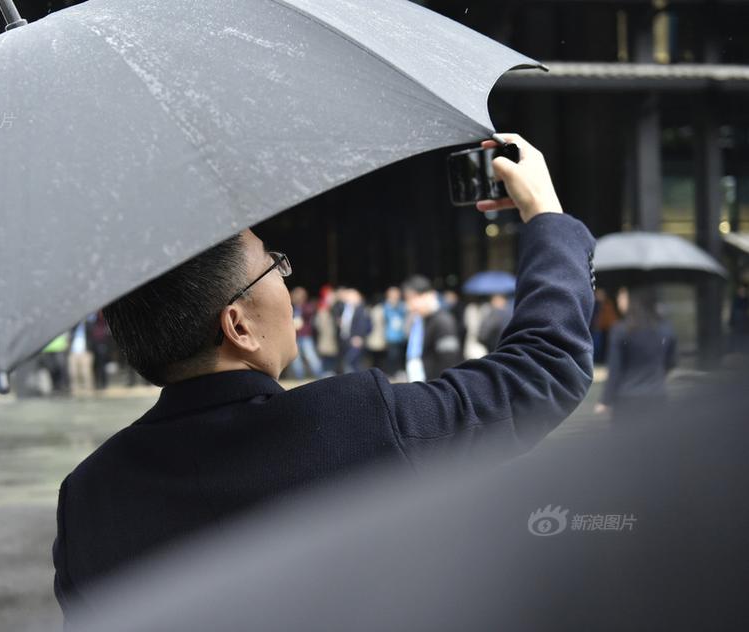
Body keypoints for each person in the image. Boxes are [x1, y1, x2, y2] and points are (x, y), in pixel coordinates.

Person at [52, 134, 596, 618]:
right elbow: (544, 367)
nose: (288, 282)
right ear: (237, 325)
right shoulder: (351, 425)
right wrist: (546, 217)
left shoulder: (87, 499)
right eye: (273, 265)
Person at [595, 286, 676, 424]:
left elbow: (615, 370)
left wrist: (605, 400)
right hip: (657, 396)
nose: (619, 300)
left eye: (622, 295)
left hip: (627, 400)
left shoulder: (620, 330)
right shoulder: (665, 328)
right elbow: (671, 363)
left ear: (633, 299)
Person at [402, 277, 463, 380]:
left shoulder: (442, 321)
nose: (409, 305)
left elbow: (448, 361)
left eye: (413, 298)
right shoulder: (420, 320)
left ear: (429, 295)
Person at [289, 286, 323, 379]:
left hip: (305, 336)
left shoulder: (307, 306)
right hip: (294, 336)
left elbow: (309, 313)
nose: (297, 297)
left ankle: (319, 376)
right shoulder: (291, 307)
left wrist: (301, 306)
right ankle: (299, 378)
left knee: (311, 356)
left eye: (299, 295)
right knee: (296, 359)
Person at [337, 288, 372, 373]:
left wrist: (359, 337)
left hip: (356, 340)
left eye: (350, 296)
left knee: (351, 362)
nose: (347, 298)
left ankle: (359, 381)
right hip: (345, 338)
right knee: (350, 363)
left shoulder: (361, 309)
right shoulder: (345, 308)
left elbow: (364, 325)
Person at [314, 285, 340, 376]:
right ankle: (325, 374)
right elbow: (319, 324)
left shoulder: (335, 307)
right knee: (326, 357)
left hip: (332, 338)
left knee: (331, 357)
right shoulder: (323, 308)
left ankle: (328, 373)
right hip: (326, 337)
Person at [382, 286, 408, 378]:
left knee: (400, 355)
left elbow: (405, 313)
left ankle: (398, 371)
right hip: (391, 336)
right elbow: (385, 317)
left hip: (401, 335)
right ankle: (390, 373)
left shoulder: (402, 305)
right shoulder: (386, 305)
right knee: (392, 356)